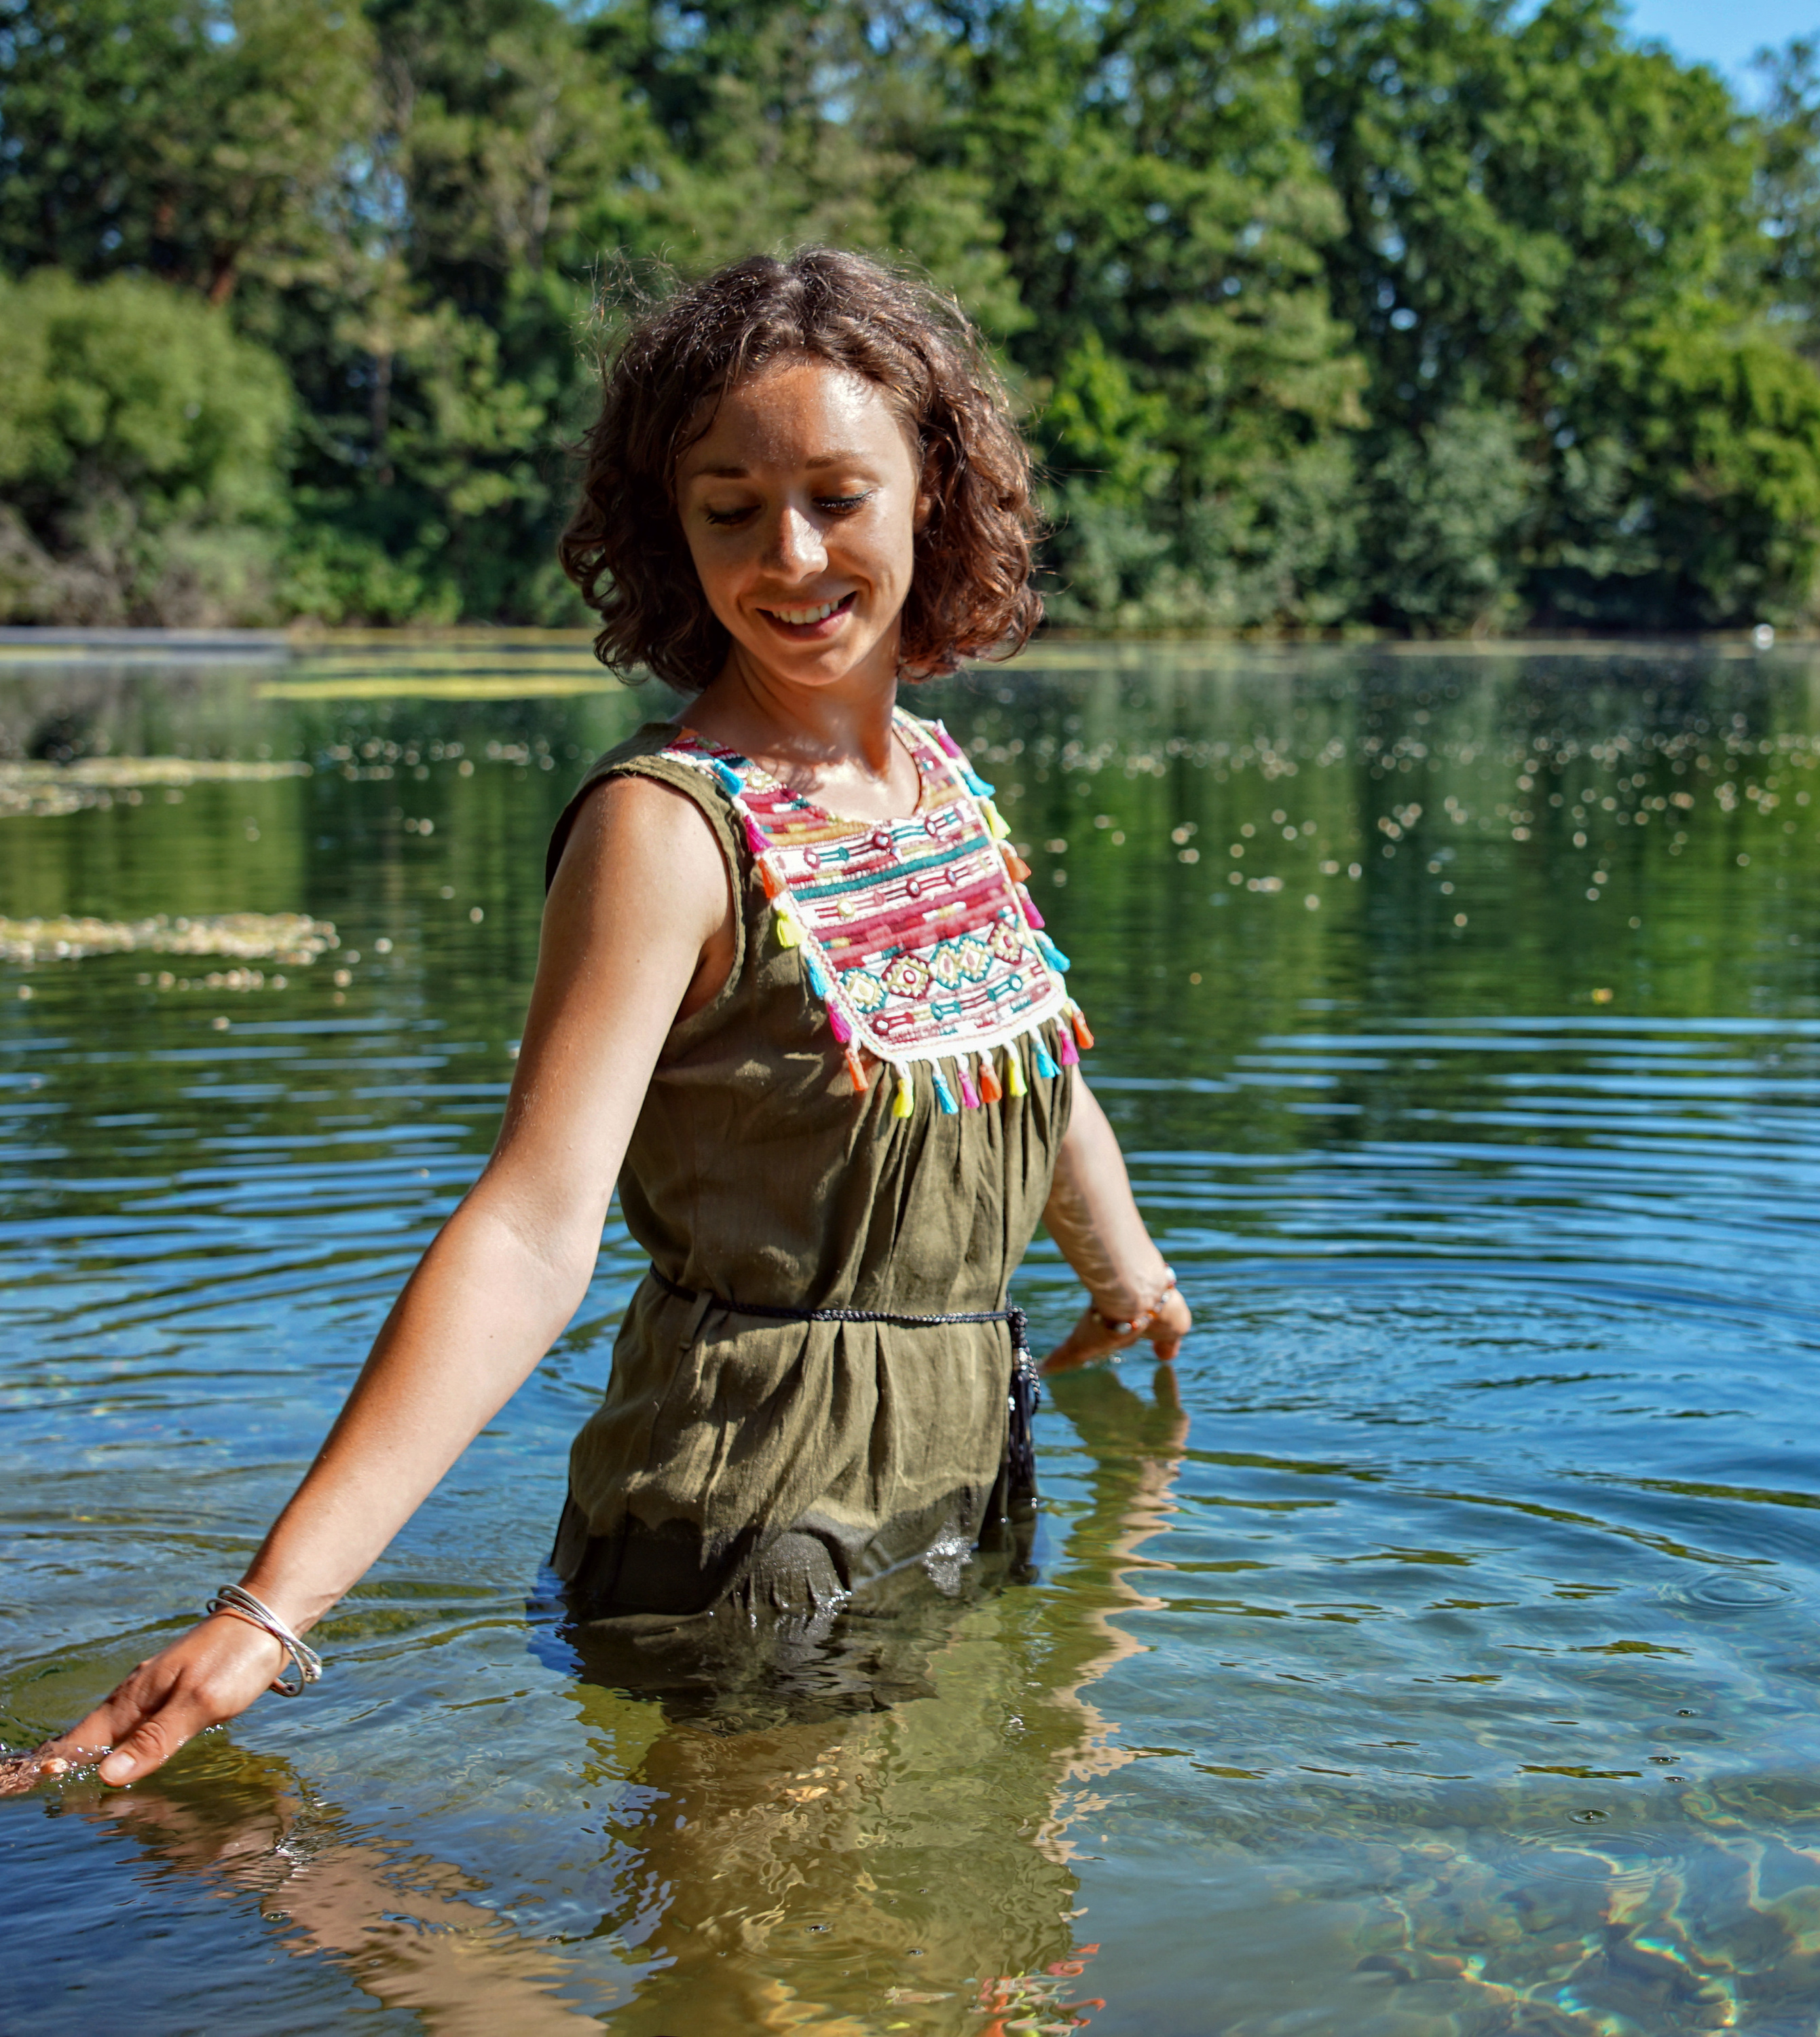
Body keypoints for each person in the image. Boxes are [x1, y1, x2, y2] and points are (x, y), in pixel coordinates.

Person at [32, 248, 1191, 1792]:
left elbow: (1023, 1042)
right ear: (670, 528)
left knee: (971, 1946)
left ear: (937, 490)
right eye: (730, 508)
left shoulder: (931, 779)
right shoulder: (666, 830)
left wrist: (1124, 1268)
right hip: (752, 1524)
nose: (790, 556)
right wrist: (270, 1609)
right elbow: (529, 1226)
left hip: (963, 1472)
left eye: (839, 496)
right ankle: (269, 1877)